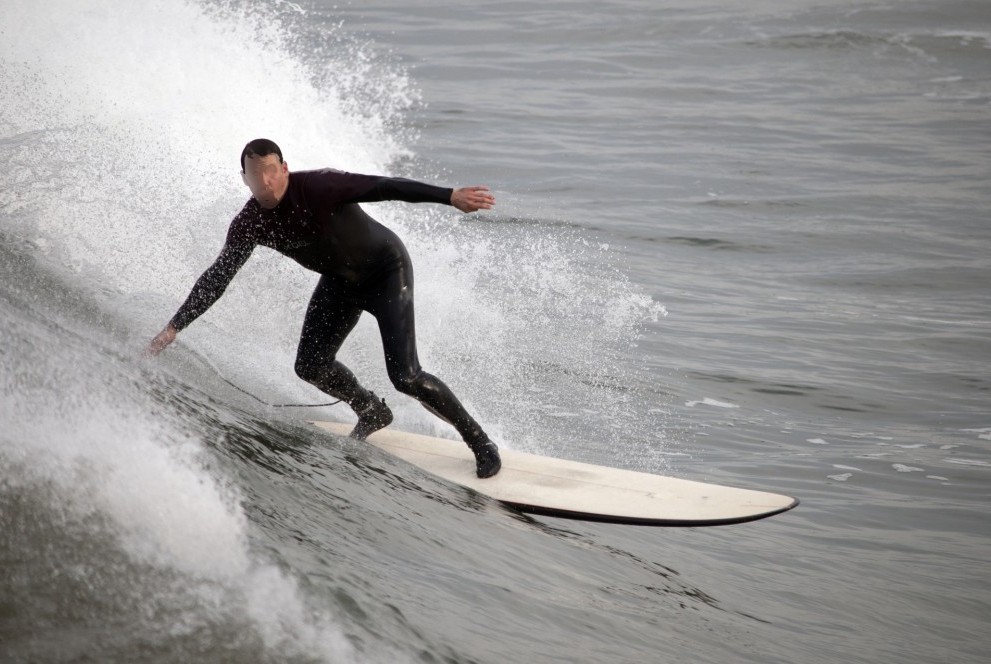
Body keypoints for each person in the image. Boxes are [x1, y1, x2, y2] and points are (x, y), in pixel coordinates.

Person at [147, 138, 501, 478]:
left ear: (285, 169)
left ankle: (480, 442)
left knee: (405, 376)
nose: (265, 182)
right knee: (310, 365)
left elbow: (385, 187)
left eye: (271, 171)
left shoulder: (321, 186)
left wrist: (449, 196)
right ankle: (370, 410)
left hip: (385, 272)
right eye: (255, 174)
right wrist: (174, 327)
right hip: (339, 283)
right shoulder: (250, 223)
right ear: (245, 179)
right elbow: (218, 276)